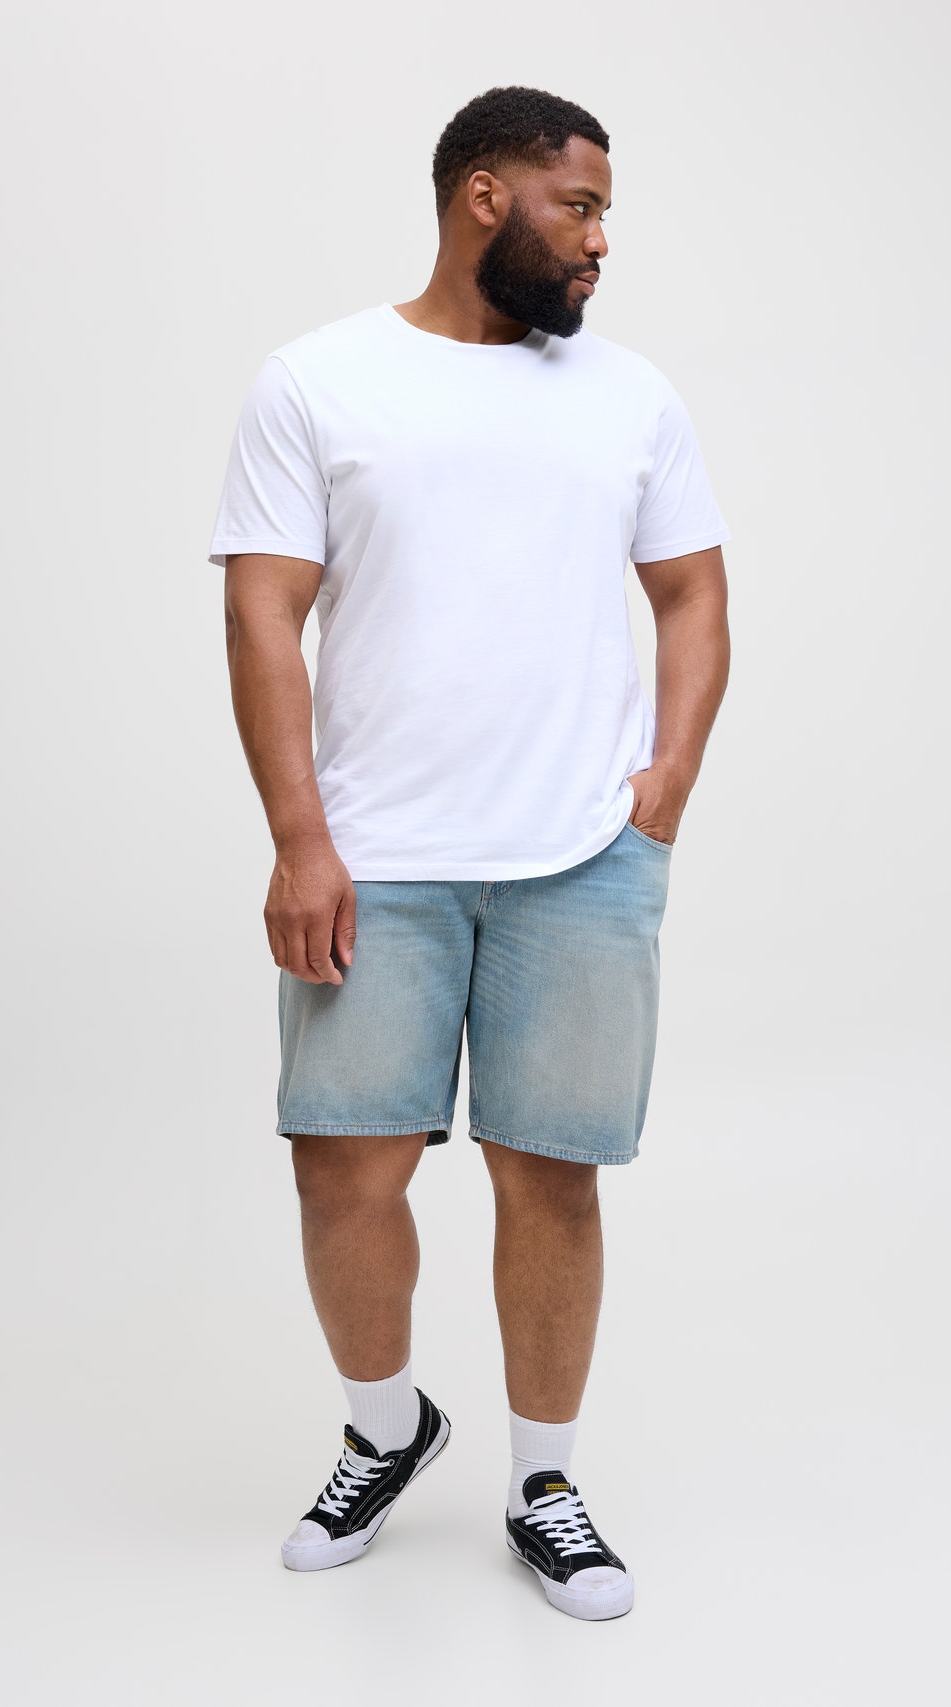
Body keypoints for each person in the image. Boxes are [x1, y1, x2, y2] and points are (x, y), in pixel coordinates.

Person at [207, 84, 731, 1622]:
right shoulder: (319, 381)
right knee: (343, 1171)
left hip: (583, 854)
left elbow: (694, 592)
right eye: (581, 207)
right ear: (485, 197)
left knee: (550, 1177)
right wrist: (299, 840)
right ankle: (386, 1432)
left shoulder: (631, 395)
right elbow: (262, 610)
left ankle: (545, 1484)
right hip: (376, 856)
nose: (601, 240)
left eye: (606, 211)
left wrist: (667, 783)